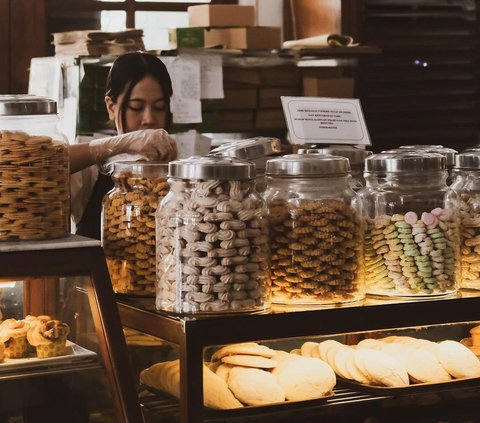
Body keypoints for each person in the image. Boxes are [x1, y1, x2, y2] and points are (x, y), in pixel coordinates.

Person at [69, 52, 178, 239]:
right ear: (111, 107)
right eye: (136, 107)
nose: (149, 119)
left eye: (159, 107)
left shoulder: (180, 170)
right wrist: (122, 144)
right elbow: (38, 163)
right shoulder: (92, 172)